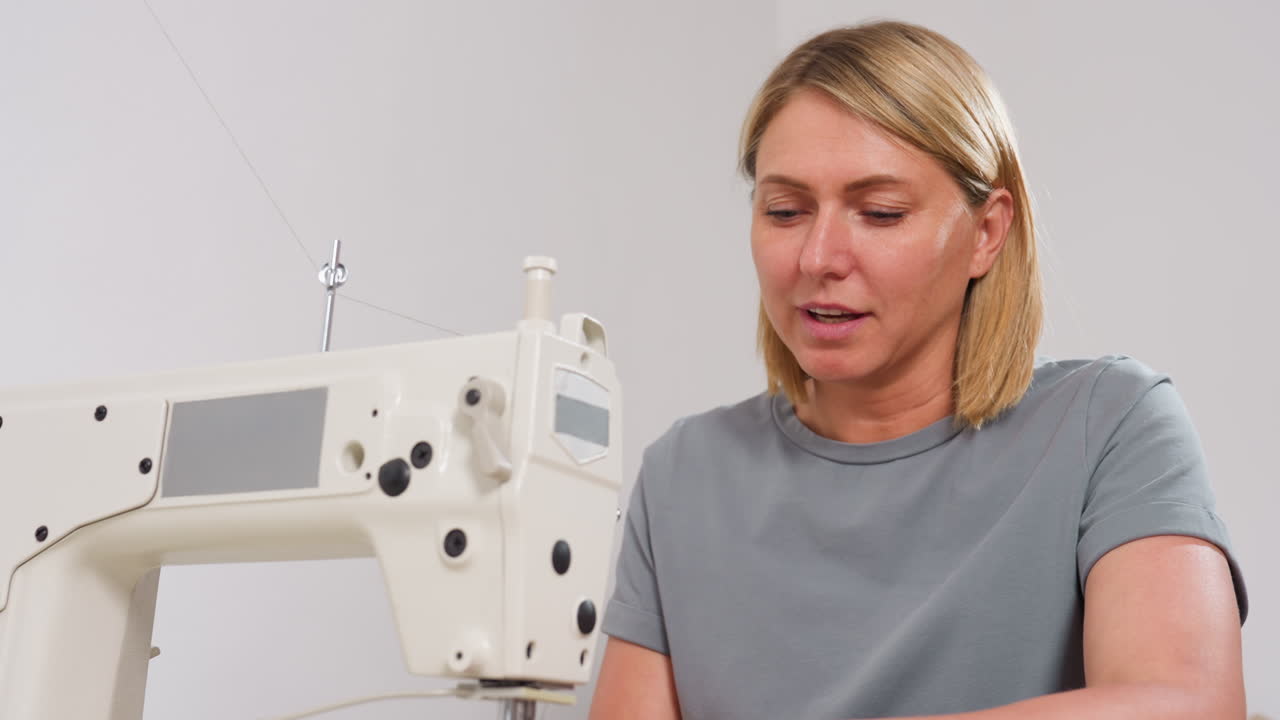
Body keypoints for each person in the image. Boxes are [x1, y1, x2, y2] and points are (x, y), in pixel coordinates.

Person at [589, 20, 1247, 720]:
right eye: (785, 211)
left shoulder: (1110, 425)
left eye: (880, 212)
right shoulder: (684, 475)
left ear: (986, 234)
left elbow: (1187, 704)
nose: (818, 258)